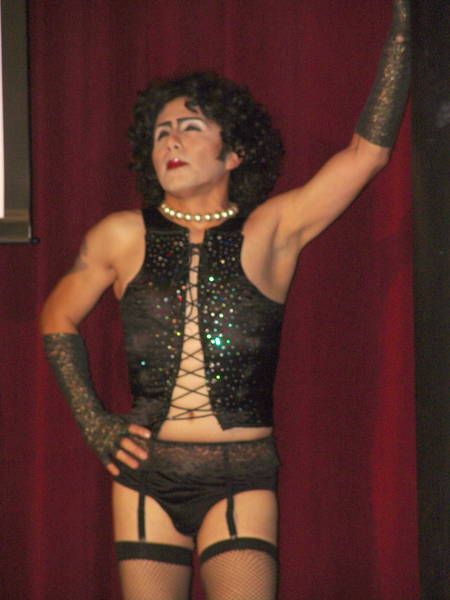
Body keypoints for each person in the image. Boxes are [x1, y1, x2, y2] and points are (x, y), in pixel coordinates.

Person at [40, 2, 411, 599]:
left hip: (241, 473)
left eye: (190, 127)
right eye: (160, 132)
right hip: (145, 474)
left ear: (233, 152)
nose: (171, 140)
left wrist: (407, 25)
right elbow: (58, 316)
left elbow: (366, 155)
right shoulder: (120, 235)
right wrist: (94, 422)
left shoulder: (271, 230)